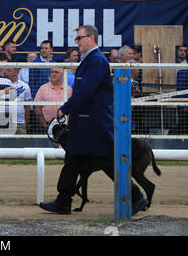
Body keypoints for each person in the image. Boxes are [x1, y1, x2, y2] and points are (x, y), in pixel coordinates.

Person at [39, 25, 148, 216]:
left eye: (79, 38)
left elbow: (85, 91)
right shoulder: (91, 60)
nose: (77, 42)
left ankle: (136, 196)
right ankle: (63, 201)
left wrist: (64, 109)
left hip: (94, 123)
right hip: (86, 123)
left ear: (91, 38)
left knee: (106, 163)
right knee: (73, 160)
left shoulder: (96, 60)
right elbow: (84, 91)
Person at [29, 40, 56, 134]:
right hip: (40, 105)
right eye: (42, 48)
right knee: (40, 132)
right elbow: (32, 84)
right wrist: (36, 104)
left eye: (46, 48)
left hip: (53, 104)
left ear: (51, 50)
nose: (43, 50)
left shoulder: (55, 64)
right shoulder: (35, 64)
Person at [5, 67, 32, 134]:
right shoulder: (2, 84)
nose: (6, 72)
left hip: (20, 123)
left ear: (16, 72)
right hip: (5, 122)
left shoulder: (25, 86)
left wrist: (26, 123)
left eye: (9, 70)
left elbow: (27, 107)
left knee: (22, 144)